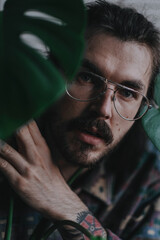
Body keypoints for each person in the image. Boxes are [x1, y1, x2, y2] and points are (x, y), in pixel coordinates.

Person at [0, 1, 160, 239]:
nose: (104, 109)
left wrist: (67, 207)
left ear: (144, 105)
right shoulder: (6, 126)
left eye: (127, 93)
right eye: (86, 77)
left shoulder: (148, 179)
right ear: (53, 71)